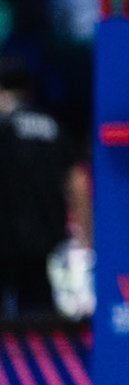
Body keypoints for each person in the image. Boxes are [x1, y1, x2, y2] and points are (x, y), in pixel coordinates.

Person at [0, 63, 88, 318]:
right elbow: (77, 183)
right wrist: (86, 238)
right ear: (29, 90)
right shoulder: (54, 128)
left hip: (6, 243)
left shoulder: (3, 127)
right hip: (47, 246)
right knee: (43, 322)